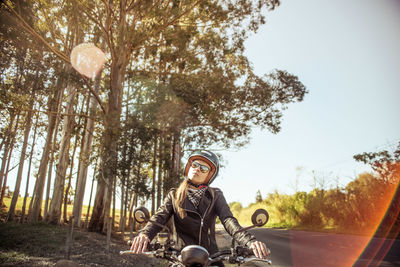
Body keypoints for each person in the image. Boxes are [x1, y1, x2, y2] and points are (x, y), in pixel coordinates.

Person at [130, 150, 269, 265]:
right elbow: (160, 217)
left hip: (211, 257)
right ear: (189, 167)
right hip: (180, 256)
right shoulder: (174, 195)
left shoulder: (216, 195)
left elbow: (228, 220)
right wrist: (145, 234)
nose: (197, 169)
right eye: (195, 165)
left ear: (209, 175)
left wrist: (250, 241)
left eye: (203, 168)